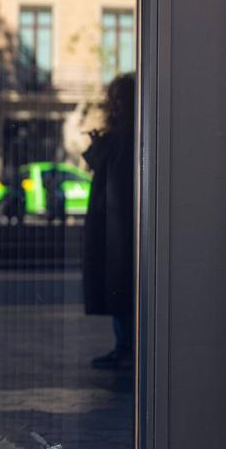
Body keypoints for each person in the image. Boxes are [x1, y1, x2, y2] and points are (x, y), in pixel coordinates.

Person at [81, 72, 136, 370]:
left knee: (122, 283)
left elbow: (115, 175)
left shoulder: (129, 134)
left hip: (120, 224)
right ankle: (124, 345)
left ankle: (126, 346)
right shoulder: (123, 133)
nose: (113, 104)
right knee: (120, 283)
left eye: (117, 98)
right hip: (114, 222)